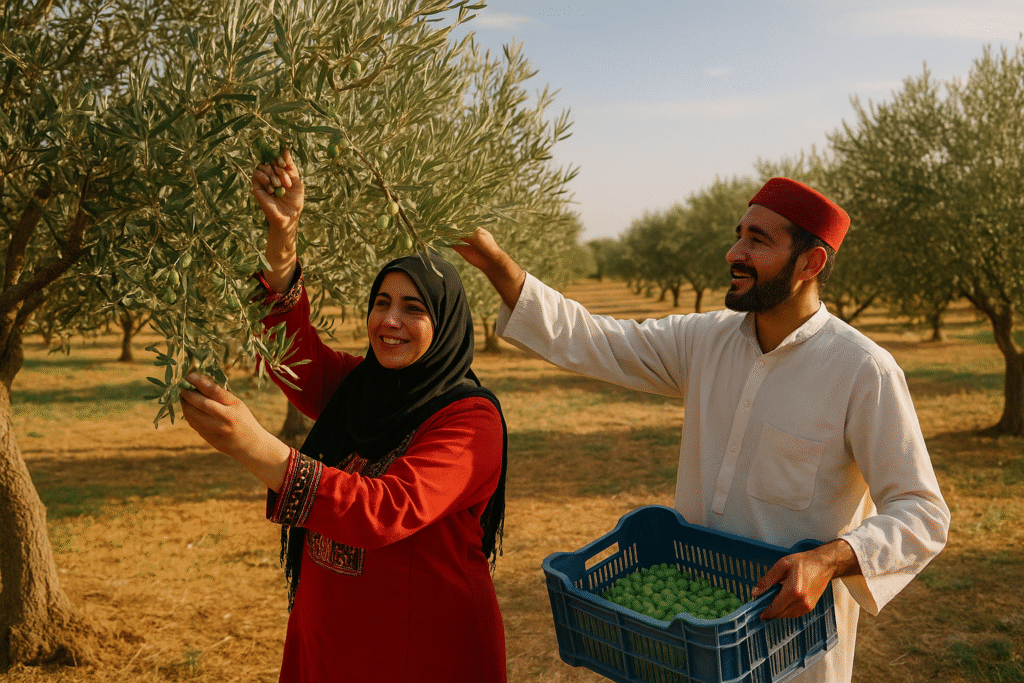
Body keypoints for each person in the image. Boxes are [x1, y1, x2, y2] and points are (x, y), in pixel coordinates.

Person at [452, 177, 949, 683]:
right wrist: (495, 262)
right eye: (739, 235)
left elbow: (923, 513)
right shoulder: (704, 341)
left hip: (791, 649)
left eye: (758, 240)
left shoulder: (863, 370)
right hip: (689, 637)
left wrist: (829, 560)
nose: (735, 252)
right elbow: (591, 338)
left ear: (810, 263)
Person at [179, 148, 509, 683]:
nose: (390, 320)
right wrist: (282, 237)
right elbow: (289, 353)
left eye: (414, 308)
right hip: (333, 634)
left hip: (423, 647)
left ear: (447, 322)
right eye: (382, 302)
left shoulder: (471, 421)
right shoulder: (358, 386)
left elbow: (386, 508)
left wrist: (255, 447)